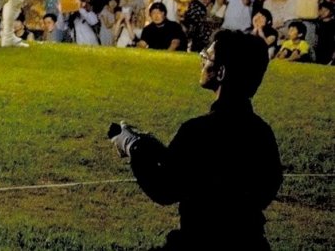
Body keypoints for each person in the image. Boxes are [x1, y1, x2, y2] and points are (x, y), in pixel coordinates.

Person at [109, 29, 282, 250]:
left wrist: (132, 146)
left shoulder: (198, 130)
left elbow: (164, 189)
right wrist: (152, 148)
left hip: (199, 240)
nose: (201, 63)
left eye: (206, 58)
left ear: (221, 72)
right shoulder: (262, 132)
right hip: (250, 241)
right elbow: (261, 185)